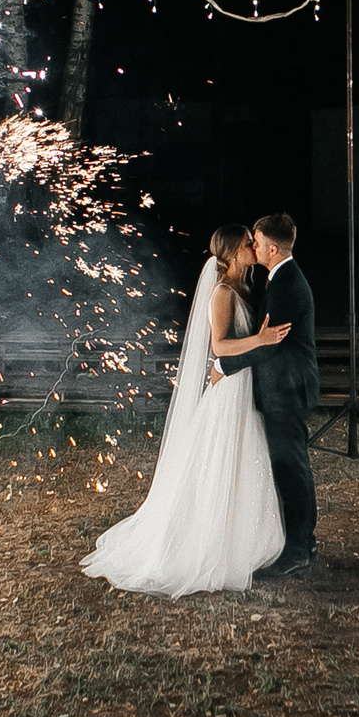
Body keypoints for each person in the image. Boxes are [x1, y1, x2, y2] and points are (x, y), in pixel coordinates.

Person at [81, 225, 290, 596]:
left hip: (242, 388)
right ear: (230, 252)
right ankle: (207, 546)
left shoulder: (243, 288)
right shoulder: (223, 292)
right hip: (228, 392)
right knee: (219, 461)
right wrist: (260, 338)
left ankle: (242, 539)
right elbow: (220, 347)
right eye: (246, 244)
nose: (252, 248)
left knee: (244, 459)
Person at [221, 213, 319, 577]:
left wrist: (223, 367)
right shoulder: (280, 279)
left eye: (258, 242)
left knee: (291, 467)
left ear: (273, 248)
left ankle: (298, 549)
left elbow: (268, 345)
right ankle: (302, 541)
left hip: (287, 389)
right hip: (285, 387)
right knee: (290, 465)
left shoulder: (287, 285)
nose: (254, 246)